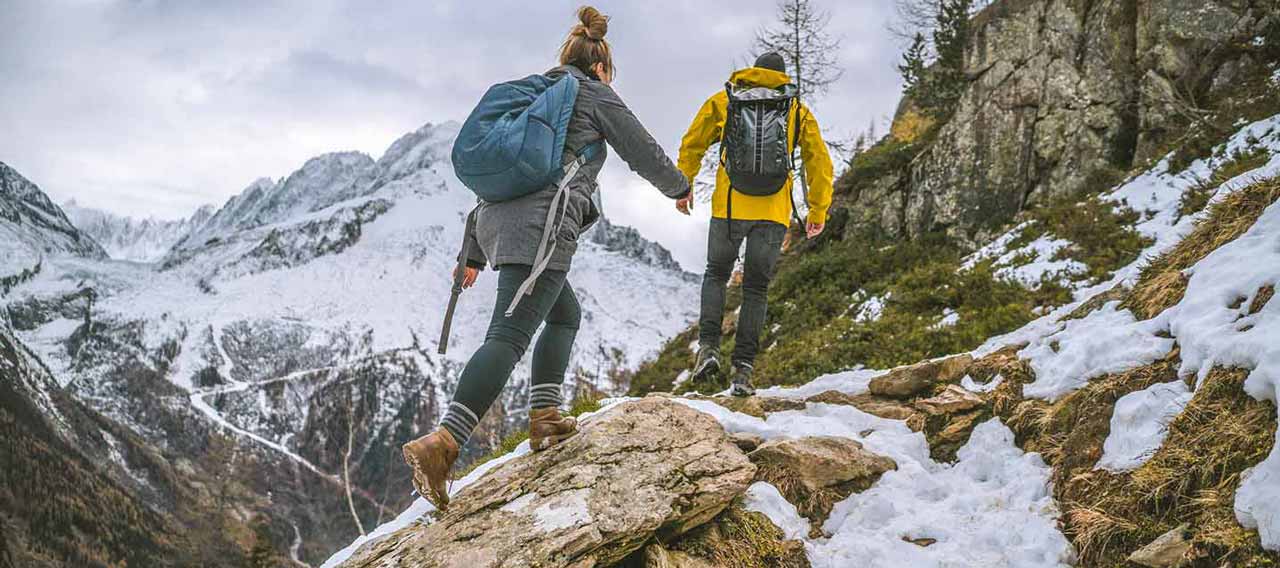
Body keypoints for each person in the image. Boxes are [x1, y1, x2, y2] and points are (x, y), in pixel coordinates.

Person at [402, 6, 691, 510]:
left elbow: (503, 182)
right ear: (600, 66)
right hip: (543, 229)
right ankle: (443, 443)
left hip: (500, 226)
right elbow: (641, 149)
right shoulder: (593, 93)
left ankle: (545, 418)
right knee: (508, 336)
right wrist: (679, 187)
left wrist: (473, 253)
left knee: (564, 314)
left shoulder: (534, 97)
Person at [675, 52, 834, 397]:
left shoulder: (725, 100)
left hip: (730, 207)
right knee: (756, 289)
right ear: (781, 77)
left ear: (753, 71)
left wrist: (684, 185)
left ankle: (709, 349)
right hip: (773, 212)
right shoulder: (796, 109)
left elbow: (693, 142)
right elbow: (819, 161)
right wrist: (817, 210)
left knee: (716, 275)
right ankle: (743, 370)